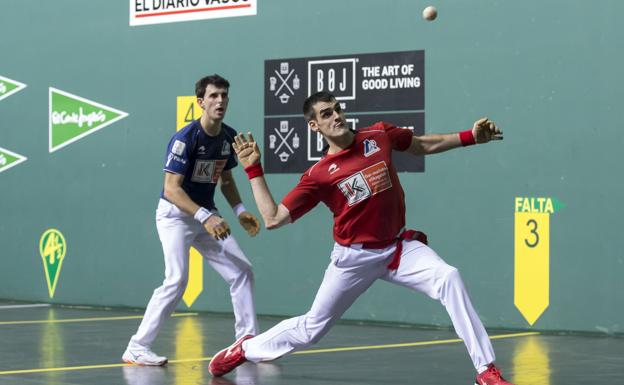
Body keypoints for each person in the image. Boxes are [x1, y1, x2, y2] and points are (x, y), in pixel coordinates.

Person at [209, 91, 513, 385]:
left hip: (398, 248)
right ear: (314, 125)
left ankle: (485, 370)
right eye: (326, 113)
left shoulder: (378, 135)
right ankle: (245, 348)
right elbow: (273, 218)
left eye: (338, 108)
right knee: (311, 329)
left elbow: (420, 145)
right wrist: (253, 169)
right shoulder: (319, 175)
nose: (337, 116)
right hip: (353, 259)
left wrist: (470, 137)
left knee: (449, 277)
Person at [122, 74, 260, 366]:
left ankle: (246, 343)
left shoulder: (227, 138)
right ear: (200, 102)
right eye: (213, 96)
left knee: (242, 271)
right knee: (177, 279)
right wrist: (204, 217)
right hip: (175, 215)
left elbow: (226, 181)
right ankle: (137, 346)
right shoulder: (185, 139)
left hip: (207, 215)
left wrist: (239, 211)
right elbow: (172, 189)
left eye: (224, 95)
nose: (220, 100)